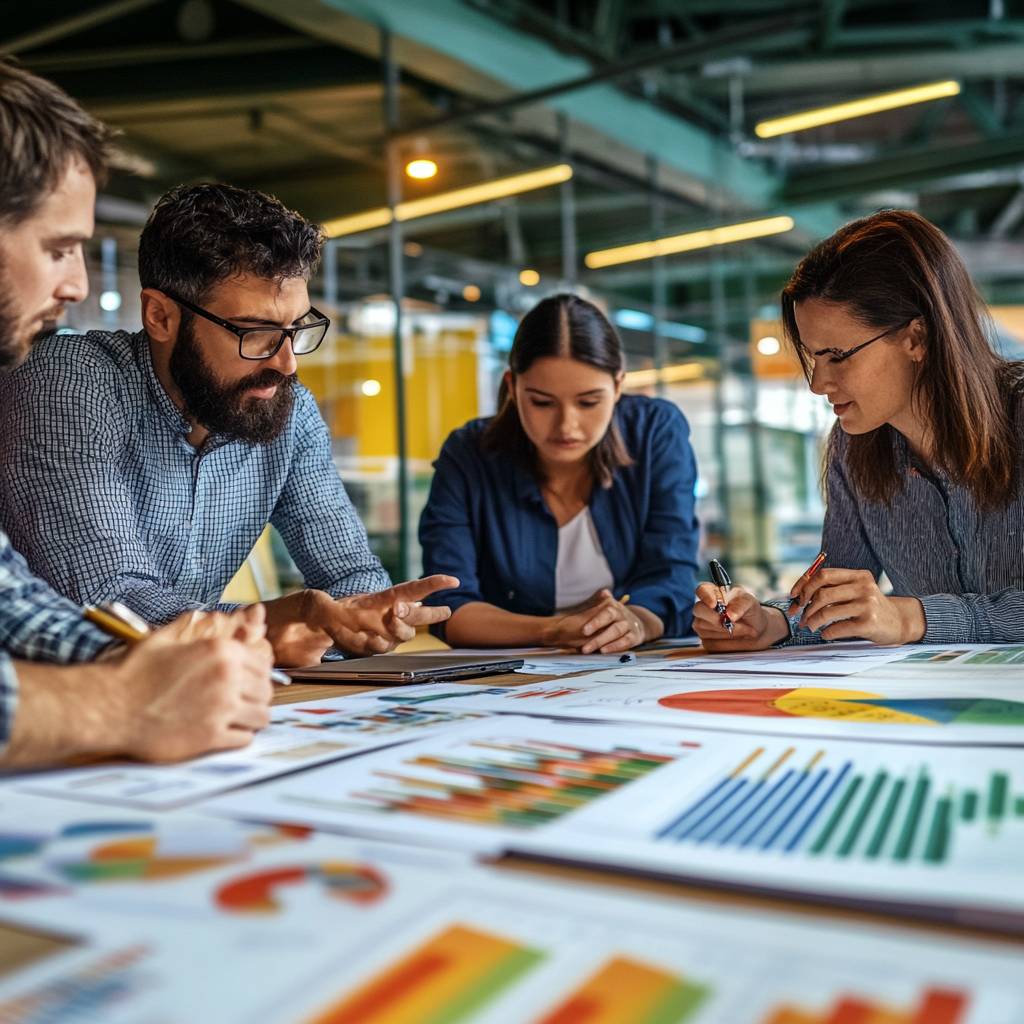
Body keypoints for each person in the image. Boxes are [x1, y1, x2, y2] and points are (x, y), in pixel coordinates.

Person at [0, 182, 456, 666]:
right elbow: (110, 597)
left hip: (190, 695)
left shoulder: (287, 411)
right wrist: (274, 623)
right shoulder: (69, 384)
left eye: (296, 329)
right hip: (51, 701)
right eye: (256, 333)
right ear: (160, 316)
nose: (286, 364)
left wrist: (364, 620)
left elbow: (352, 575)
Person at [0, 57, 274, 767]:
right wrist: (123, 703)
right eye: (58, 249)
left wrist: (167, 660)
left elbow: (11, 605)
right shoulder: (66, 379)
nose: (76, 285)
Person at [693, 209, 1024, 651]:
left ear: (916, 338)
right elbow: (837, 596)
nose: (817, 383)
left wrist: (911, 618)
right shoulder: (855, 445)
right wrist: (771, 623)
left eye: (837, 355)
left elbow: (897, 618)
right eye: (813, 358)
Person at [420, 293, 700, 653]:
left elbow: (672, 575)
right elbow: (447, 606)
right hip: (508, 682)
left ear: (618, 386)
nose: (567, 425)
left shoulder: (654, 432)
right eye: (541, 402)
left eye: (588, 402)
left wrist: (637, 622)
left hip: (632, 667)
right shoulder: (469, 453)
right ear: (512, 386)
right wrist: (555, 630)